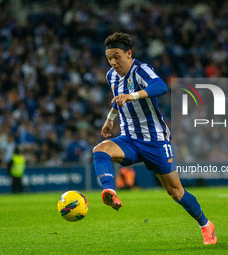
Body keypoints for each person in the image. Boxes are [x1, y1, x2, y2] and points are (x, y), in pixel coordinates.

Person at [92, 32, 217, 245]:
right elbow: (117, 99)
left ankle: (206, 225)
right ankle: (110, 190)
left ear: (129, 53)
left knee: (175, 192)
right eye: (109, 58)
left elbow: (161, 87)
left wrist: (132, 96)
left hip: (155, 141)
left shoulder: (140, 70)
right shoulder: (111, 76)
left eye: (117, 57)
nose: (113, 62)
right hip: (129, 139)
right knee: (100, 150)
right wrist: (109, 119)